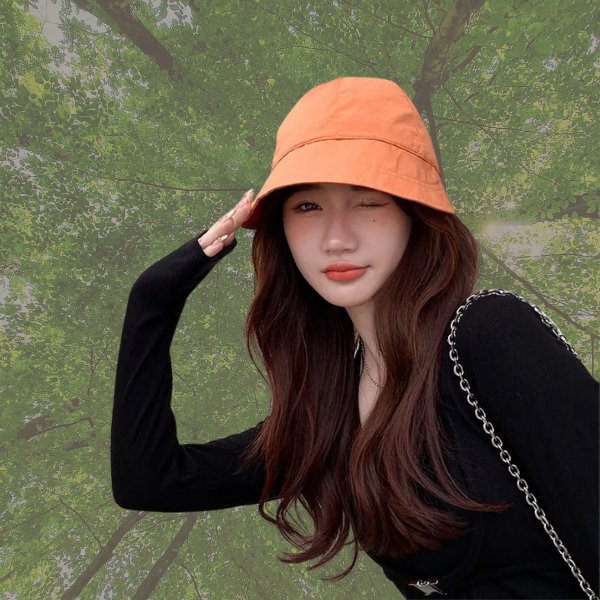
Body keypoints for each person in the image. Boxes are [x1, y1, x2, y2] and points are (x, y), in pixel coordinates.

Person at [111, 77, 599, 599]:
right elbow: (150, 480)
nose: (337, 238)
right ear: (282, 230)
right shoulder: (326, 414)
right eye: (307, 207)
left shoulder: (489, 335)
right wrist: (151, 303)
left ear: (415, 216)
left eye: (368, 201)